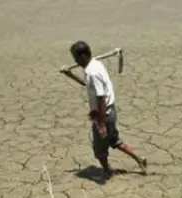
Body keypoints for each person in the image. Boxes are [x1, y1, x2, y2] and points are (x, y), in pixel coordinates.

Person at [60, 41, 146, 179]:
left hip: (104, 114)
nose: (75, 61)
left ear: (82, 57)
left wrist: (100, 123)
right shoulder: (95, 64)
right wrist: (69, 74)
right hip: (110, 112)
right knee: (114, 141)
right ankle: (139, 159)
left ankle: (107, 172)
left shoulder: (93, 72)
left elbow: (101, 97)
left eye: (75, 58)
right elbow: (87, 84)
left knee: (99, 149)